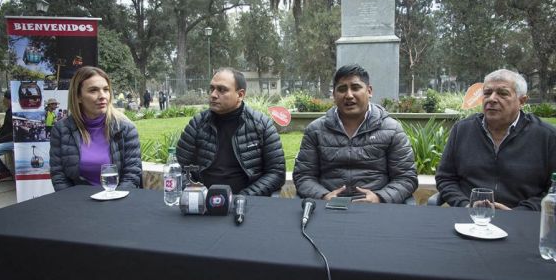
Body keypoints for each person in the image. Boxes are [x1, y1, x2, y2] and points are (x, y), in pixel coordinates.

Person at [293, 64, 418, 203]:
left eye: (355, 87)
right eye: (341, 89)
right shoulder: (316, 130)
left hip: (376, 208)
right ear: (334, 94)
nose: (349, 95)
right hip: (328, 207)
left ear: (369, 91)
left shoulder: (391, 129)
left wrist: (380, 198)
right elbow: (303, 176)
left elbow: (406, 178)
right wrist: (323, 196)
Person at [435, 69, 556, 211]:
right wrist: (465, 204)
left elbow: (553, 190)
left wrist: (520, 212)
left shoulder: (546, 136)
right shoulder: (462, 130)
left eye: (502, 93)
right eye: (487, 93)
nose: (492, 98)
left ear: (522, 101)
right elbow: (445, 178)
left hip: (523, 221)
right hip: (469, 217)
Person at [176, 67, 285, 196]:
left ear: (240, 95)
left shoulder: (262, 125)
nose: (213, 95)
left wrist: (243, 197)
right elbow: (177, 168)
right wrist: (198, 194)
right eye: (212, 89)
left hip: (247, 203)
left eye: (222, 90)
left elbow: (276, 173)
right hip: (203, 202)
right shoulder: (197, 124)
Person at [50, 66, 142, 191]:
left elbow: (132, 175)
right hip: (77, 203)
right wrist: (71, 204)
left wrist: (114, 203)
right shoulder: (61, 129)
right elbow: (59, 176)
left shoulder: (125, 128)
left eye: (106, 89)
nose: (102, 96)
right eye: (93, 90)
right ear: (78, 97)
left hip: (117, 202)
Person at [0, 90, 14, 181]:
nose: (3, 101)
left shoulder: (13, 112)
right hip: (7, 139)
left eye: (4, 99)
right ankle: (3, 171)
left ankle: (4, 172)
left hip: (13, 141)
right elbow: (4, 128)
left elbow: (12, 134)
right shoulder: (9, 111)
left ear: (8, 99)